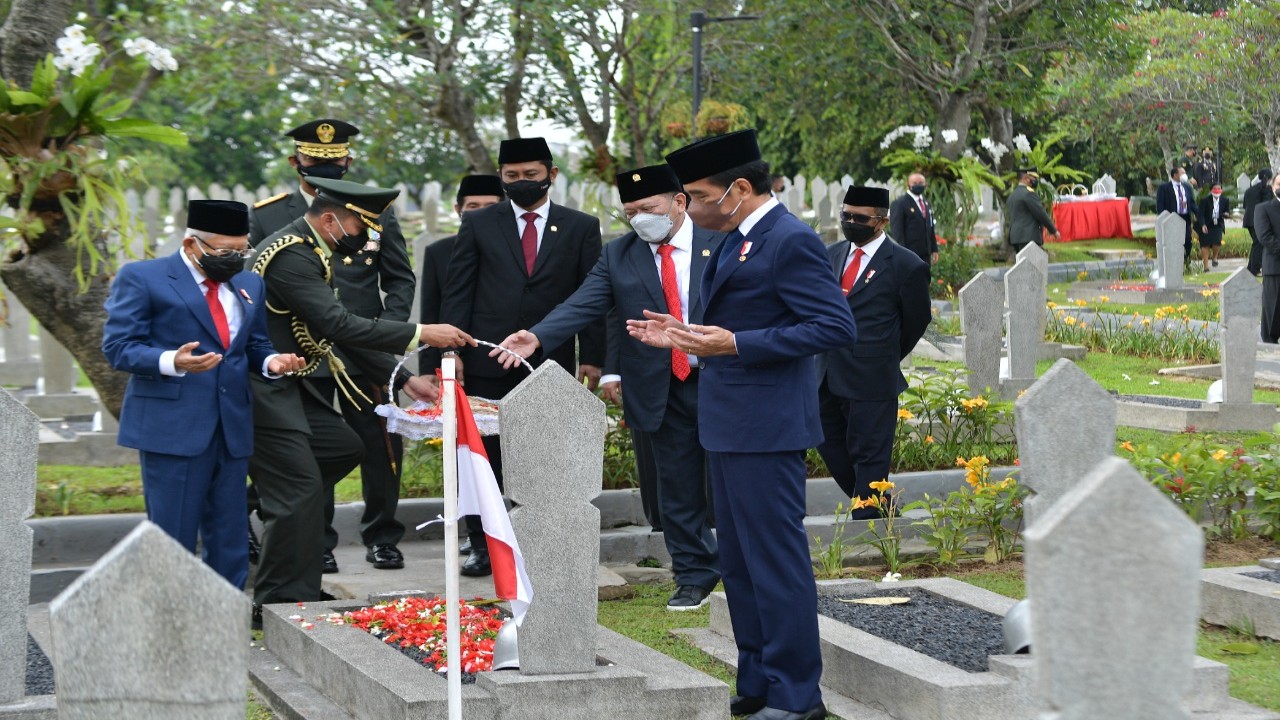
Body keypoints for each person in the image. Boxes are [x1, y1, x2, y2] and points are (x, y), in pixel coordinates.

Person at [629, 129, 857, 720]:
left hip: (768, 427)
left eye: (699, 196)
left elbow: (834, 327)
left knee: (775, 564)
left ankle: (797, 695)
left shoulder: (790, 239)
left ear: (738, 189)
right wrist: (683, 338)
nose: (692, 208)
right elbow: (728, 329)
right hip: (728, 423)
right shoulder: (733, 239)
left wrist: (738, 343)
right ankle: (757, 679)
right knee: (740, 563)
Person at [492, 164, 723, 610]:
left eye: (648, 208)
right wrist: (537, 335)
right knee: (676, 488)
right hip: (662, 387)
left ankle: (744, 565)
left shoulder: (722, 242)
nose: (639, 219)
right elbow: (585, 302)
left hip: (723, 380)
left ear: (680, 202)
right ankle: (694, 573)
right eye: (630, 211)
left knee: (735, 481)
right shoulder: (621, 255)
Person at [249, 176, 471, 623]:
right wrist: (420, 332)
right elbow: (338, 324)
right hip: (263, 385)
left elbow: (333, 332)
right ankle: (277, 600)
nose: (363, 237)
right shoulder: (291, 254)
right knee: (299, 491)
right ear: (330, 219)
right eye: (358, 225)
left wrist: (404, 380)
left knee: (342, 447)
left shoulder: (312, 248)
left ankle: (264, 516)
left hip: (295, 386)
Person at [102, 200, 306, 589]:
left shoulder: (249, 283)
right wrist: (171, 360)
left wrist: (272, 362)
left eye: (242, 250)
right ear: (192, 243)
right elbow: (118, 347)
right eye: (225, 251)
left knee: (229, 533)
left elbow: (255, 344)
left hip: (231, 426)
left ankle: (225, 619)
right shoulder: (144, 277)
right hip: (173, 426)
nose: (234, 259)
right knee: (172, 534)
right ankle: (170, 621)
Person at [249, 119, 417, 573]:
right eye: (314, 160)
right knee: (316, 446)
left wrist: (390, 332)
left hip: (368, 349)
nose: (326, 167)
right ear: (296, 162)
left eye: (334, 160)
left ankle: (382, 535)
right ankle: (316, 541)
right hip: (303, 353)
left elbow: (399, 278)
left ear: (347, 160)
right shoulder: (268, 215)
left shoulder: (372, 213)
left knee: (381, 445)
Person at [440, 136, 606, 577]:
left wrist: (592, 355)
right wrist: (454, 349)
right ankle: (483, 544)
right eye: (511, 176)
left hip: (549, 363)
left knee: (543, 454)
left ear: (551, 175)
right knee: (484, 457)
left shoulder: (580, 226)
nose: (521, 183)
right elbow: (459, 290)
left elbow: (592, 295)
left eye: (530, 175)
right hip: (485, 358)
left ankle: (539, 540)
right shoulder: (480, 224)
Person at [817, 186, 931, 518]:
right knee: (829, 445)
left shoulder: (906, 265)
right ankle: (877, 502)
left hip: (872, 377)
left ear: (880, 222)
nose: (851, 222)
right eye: (846, 215)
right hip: (825, 373)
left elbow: (916, 320)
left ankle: (870, 531)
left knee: (869, 455)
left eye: (860, 218)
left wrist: (882, 354)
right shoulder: (832, 254)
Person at [418, 173, 503, 557]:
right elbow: (432, 313)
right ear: (457, 210)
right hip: (463, 366)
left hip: (513, 359)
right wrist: (431, 368)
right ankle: (479, 542)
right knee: (469, 454)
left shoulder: (517, 250)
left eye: (491, 207)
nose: (481, 215)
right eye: (473, 208)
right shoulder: (440, 252)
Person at [889, 172, 938, 267]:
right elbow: (897, 232)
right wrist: (902, 254)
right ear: (908, 185)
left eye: (921, 183)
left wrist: (934, 248)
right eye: (915, 183)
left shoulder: (926, 203)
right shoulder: (900, 203)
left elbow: (930, 227)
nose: (918, 185)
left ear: (925, 184)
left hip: (925, 254)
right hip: (910, 254)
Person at [1007, 167, 1060, 255]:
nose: (1035, 180)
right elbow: (1041, 214)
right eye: (1033, 178)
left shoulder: (1013, 194)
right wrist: (1053, 231)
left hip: (1015, 237)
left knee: (1022, 265)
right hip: (1028, 236)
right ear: (1026, 179)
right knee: (1032, 265)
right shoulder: (1029, 194)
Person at [1156, 166, 1200, 268]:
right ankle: (1173, 263)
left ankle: (1186, 261)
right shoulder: (1164, 188)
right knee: (1173, 241)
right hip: (1172, 218)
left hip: (1185, 217)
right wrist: (1164, 219)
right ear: (1175, 175)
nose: (1184, 175)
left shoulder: (1187, 187)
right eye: (1182, 173)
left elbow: (1192, 203)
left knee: (1187, 241)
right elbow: (1160, 206)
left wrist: (1199, 214)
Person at [1256, 174, 1280, 343]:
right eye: (1279, 183)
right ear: (1272, 187)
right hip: (1275, 268)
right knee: (1272, 316)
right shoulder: (1263, 208)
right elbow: (1265, 237)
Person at [1243, 168, 1274, 276]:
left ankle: (1251, 267)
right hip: (1258, 219)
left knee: (1256, 243)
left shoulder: (1249, 190)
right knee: (1259, 244)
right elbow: (1267, 204)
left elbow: (1244, 205)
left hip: (1248, 219)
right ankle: (1255, 269)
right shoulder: (1266, 189)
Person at [1198, 182, 1230, 271]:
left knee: (1217, 242)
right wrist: (1203, 225)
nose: (1217, 190)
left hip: (1217, 224)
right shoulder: (1204, 200)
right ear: (1211, 190)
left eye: (1219, 188)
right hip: (1207, 224)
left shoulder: (1225, 200)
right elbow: (1200, 215)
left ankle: (1214, 257)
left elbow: (1227, 211)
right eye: (1215, 188)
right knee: (1205, 245)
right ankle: (1206, 266)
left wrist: (1226, 214)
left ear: (1221, 190)